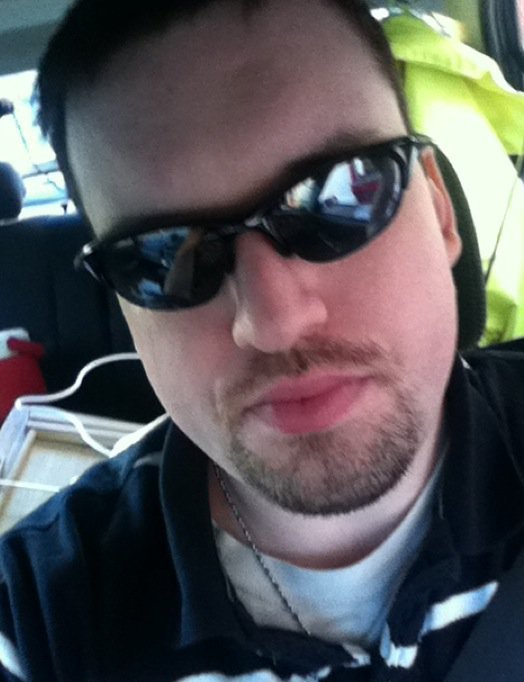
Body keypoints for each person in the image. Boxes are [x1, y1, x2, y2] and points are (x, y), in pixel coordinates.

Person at [1, 0, 523, 680]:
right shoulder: (38, 621)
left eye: (338, 199)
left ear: (440, 209)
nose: (274, 322)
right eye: (163, 257)